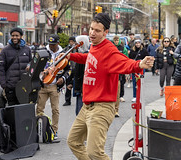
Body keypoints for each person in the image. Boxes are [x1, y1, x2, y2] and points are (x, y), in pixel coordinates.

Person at [64, 13, 154, 160]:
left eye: (97, 31)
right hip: (87, 107)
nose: (92, 33)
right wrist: (71, 56)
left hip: (102, 107)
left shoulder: (109, 50)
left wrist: (139, 64)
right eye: (91, 29)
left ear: (106, 32)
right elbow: (91, 58)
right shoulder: (95, 46)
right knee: (73, 142)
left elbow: (124, 62)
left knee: (95, 152)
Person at [36, 34, 70, 140]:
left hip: (55, 86)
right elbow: (35, 66)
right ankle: (39, 130)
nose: (51, 46)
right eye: (50, 44)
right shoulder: (43, 52)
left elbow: (69, 69)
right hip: (43, 86)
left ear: (58, 44)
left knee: (55, 109)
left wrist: (63, 78)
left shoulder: (62, 54)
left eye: (53, 45)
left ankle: (54, 131)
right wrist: (40, 74)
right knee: (39, 109)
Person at [0, 27, 32, 106]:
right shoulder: (5, 50)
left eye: (17, 35)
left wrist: (29, 66)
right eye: (13, 35)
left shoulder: (27, 49)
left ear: (21, 36)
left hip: (24, 85)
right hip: (11, 86)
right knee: (12, 110)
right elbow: (0, 69)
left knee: (24, 109)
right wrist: (4, 85)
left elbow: (31, 63)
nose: (14, 37)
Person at [112, 35, 129, 117]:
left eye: (117, 40)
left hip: (119, 73)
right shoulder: (110, 47)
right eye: (114, 40)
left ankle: (116, 110)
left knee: (117, 93)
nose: (115, 41)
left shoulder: (123, 48)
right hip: (111, 73)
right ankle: (110, 110)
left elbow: (126, 59)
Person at [73, 35, 89, 115]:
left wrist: (82, 89)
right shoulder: (79, 54)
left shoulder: (85, 56)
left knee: (80, 112)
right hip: (79, 87)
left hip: (82, 89)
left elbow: (84, 74)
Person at [63, 36, 77, 106]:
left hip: (76, 68)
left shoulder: (77, 48)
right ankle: (67, 100)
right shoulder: (67, 48)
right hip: (69, 68)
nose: (71, 43)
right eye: (70, 41)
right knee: (68, 84)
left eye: (72, 41)